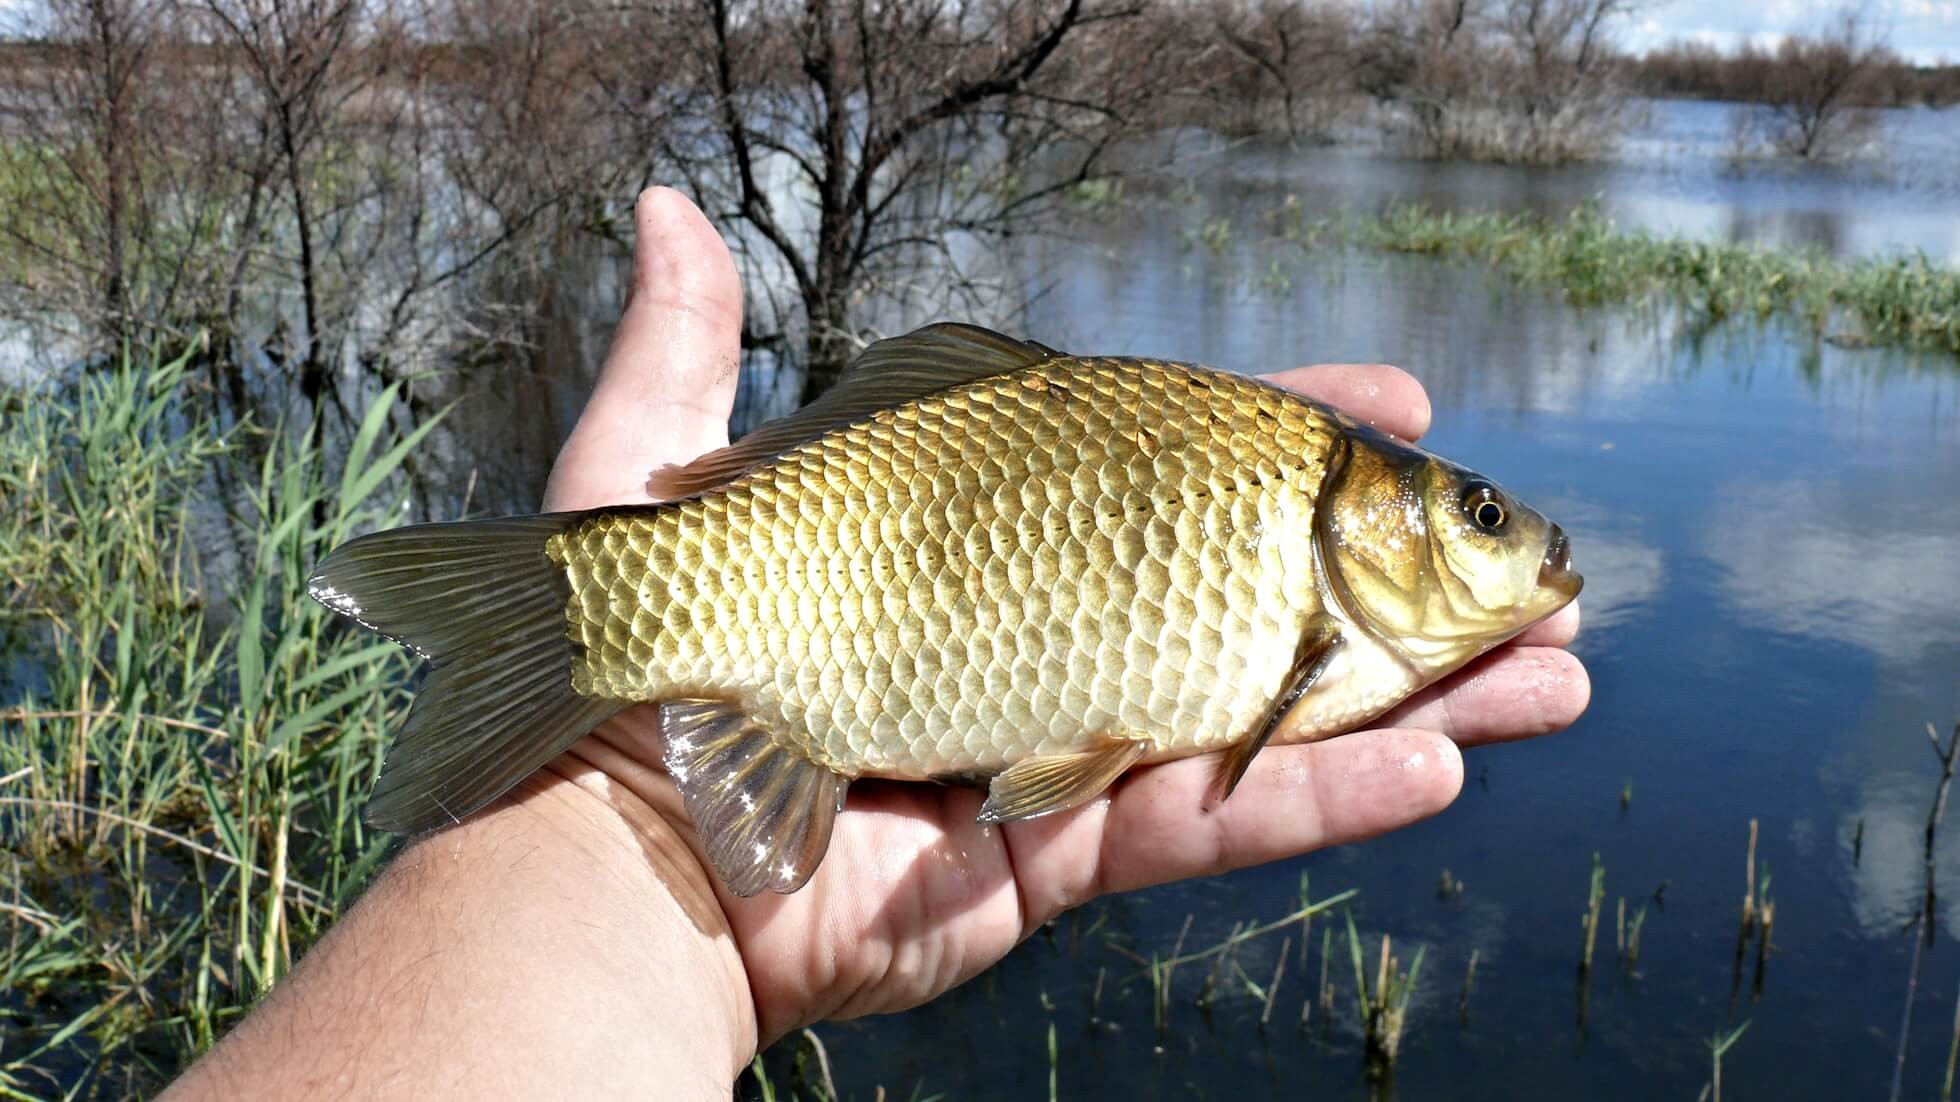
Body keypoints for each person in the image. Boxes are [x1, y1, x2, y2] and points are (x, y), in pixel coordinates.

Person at [164, 188, 1587, 1099]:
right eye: (1473, 512)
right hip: (825, 587)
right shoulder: (1292, 526)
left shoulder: (1315, 564)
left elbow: (1065, 777)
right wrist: (606, 825)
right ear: (1379, 513)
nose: (1513, 546)